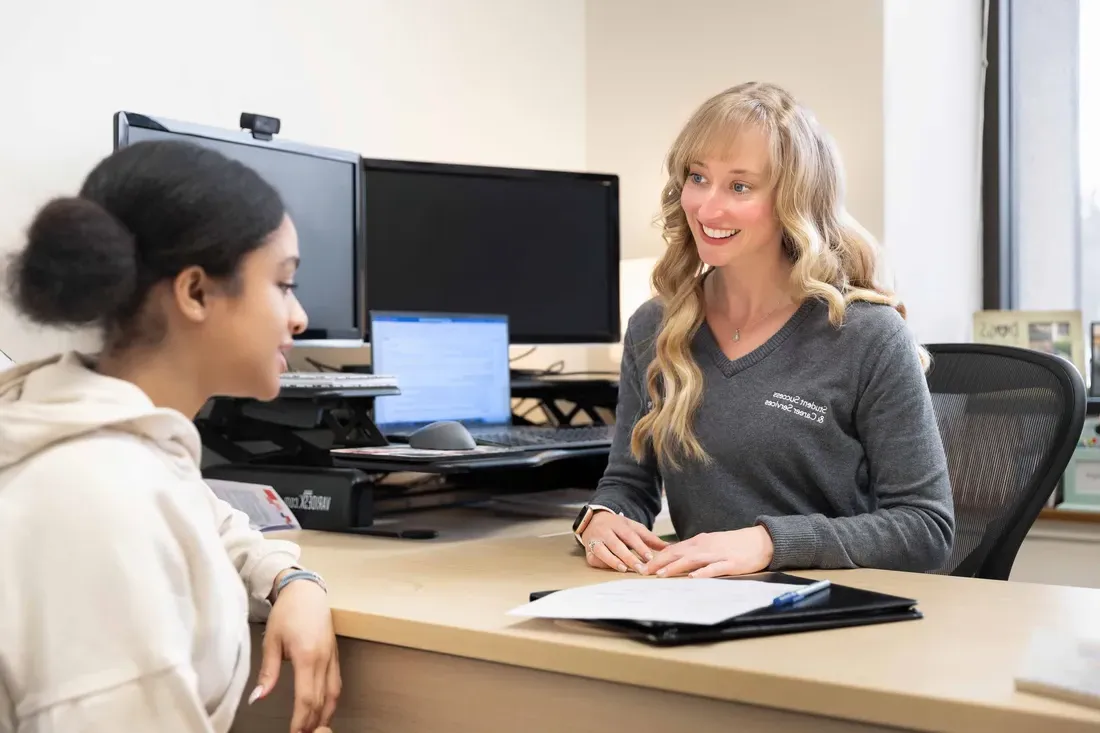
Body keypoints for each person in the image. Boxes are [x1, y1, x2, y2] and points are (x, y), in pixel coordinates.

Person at [0, 141, 340, 733]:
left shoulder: (122, 441)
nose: (299, 317)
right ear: (196, 292)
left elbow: (217, 526)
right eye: (283, 284)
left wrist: (294, 581)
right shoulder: (97, 496)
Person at [573, 82, 955, 579]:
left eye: (740, 186)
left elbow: (927, 531)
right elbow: (629, 483)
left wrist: (771, 543)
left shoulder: (868, 335)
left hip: (834, 615)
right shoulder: (655, 327)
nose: (708, 209)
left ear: (792, 202)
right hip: (698, 609)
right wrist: (601, 519)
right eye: (698, 177)